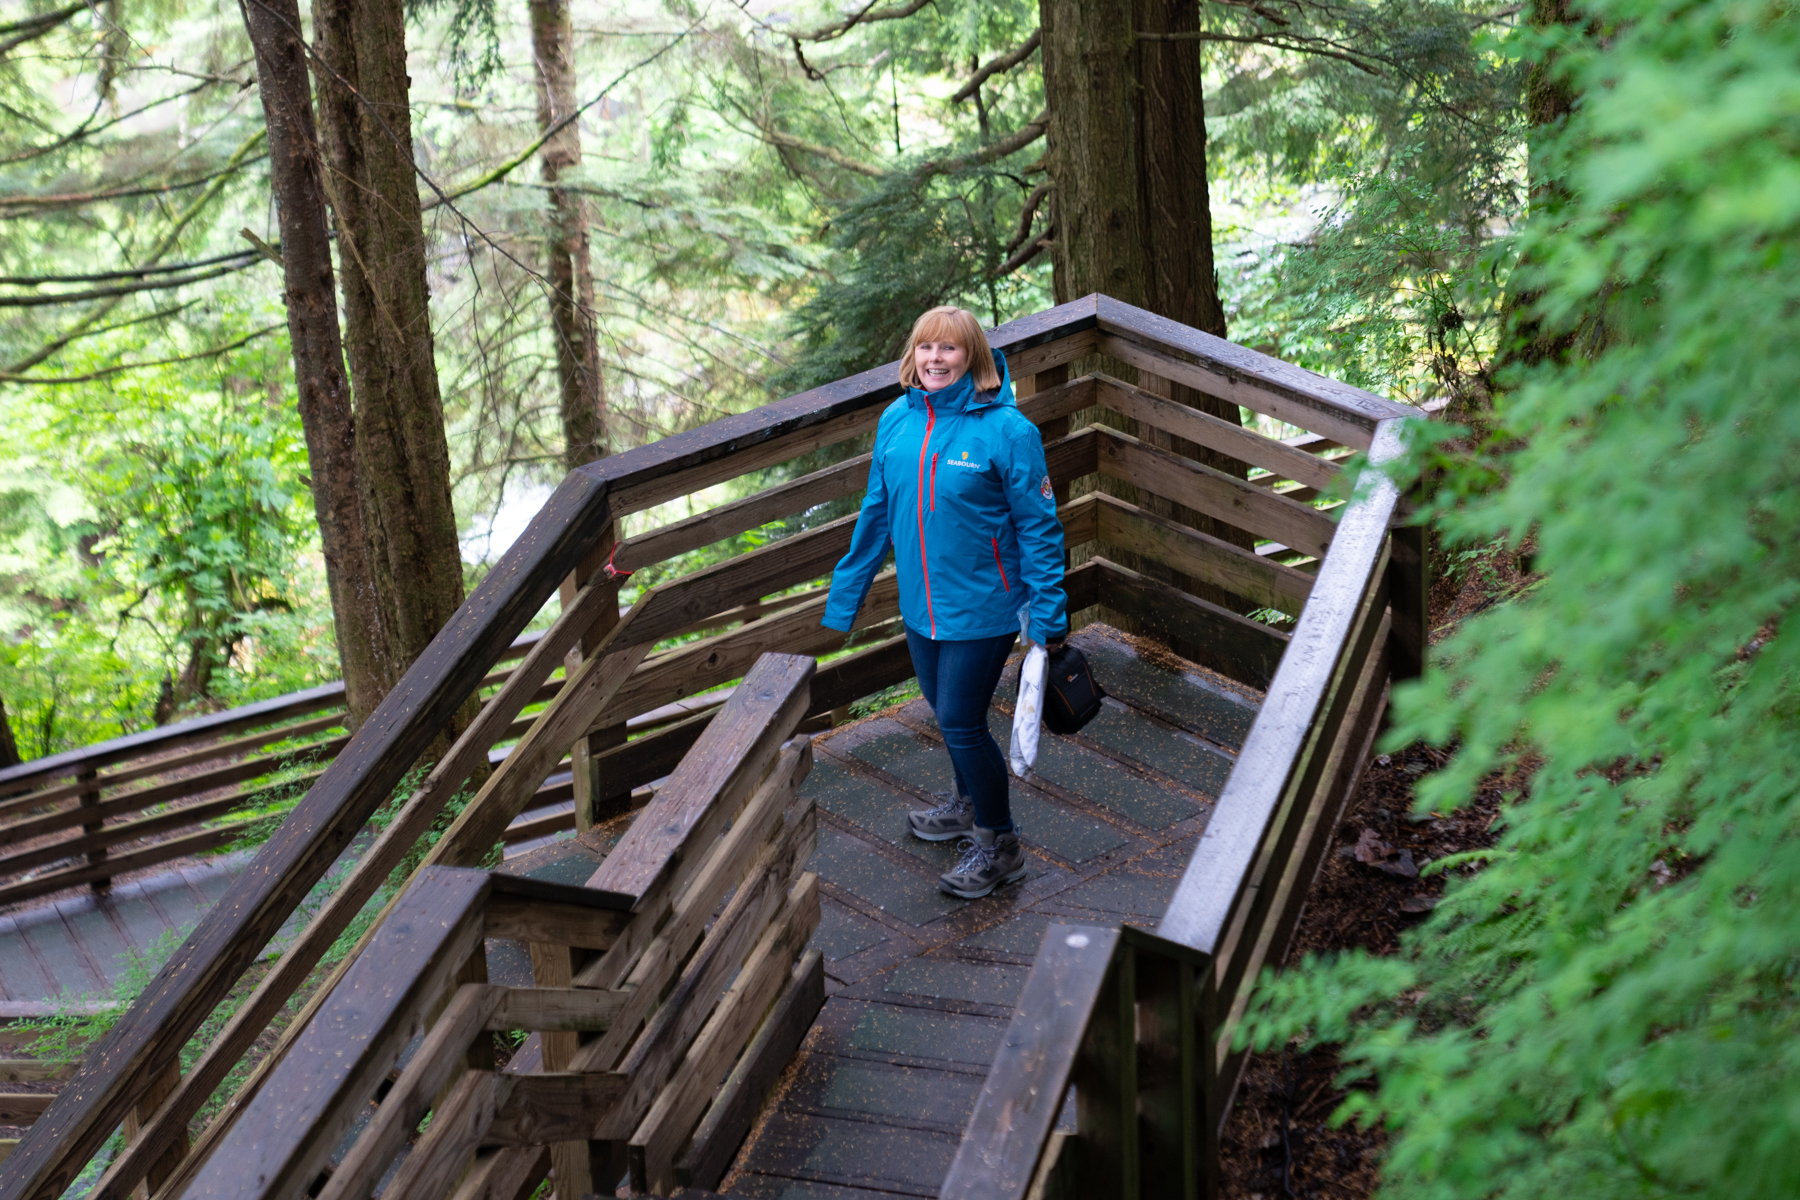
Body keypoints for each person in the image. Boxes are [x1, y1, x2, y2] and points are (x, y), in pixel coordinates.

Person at [822, 306, 1069, 899]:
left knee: (959, 721)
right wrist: (846, 596)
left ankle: (1000, 844)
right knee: (943, 709)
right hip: (922, 607)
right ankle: (967, 803)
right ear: (914, 355)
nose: (936, 359)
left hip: (984, 607)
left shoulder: (1009, 431)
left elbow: (1040, 527)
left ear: (973, 358)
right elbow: (877, 514)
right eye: (926, 347)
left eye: (950, 349)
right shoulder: (896, 422)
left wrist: (1048, 615)